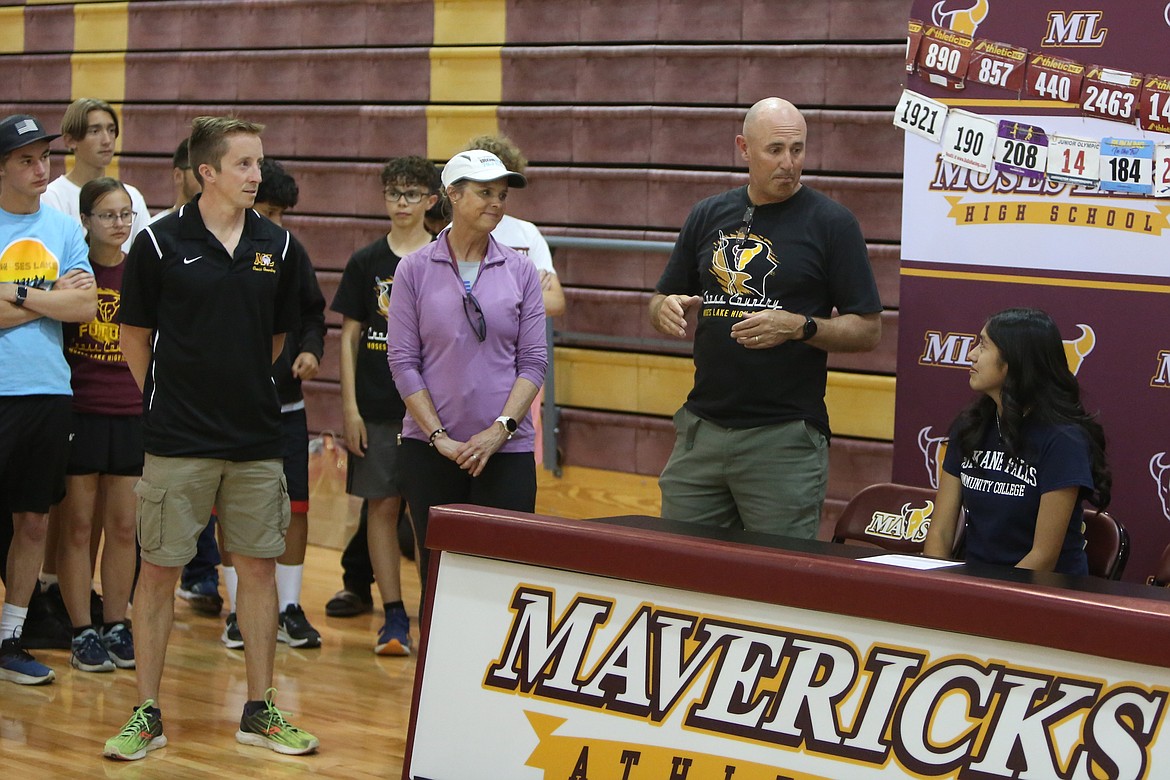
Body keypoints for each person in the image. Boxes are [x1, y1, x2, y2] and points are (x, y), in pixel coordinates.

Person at [105, 116, 317, 760]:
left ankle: (260, 709)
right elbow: (132, 334)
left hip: (257, 437)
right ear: (208, 173)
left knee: (255, 569)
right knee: (159, 572)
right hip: (177, 438)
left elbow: (285, 334)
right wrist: (165, 397)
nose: (257, 174)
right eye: (245, 164)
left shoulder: (278, 246)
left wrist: (249, 382)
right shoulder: (159, 242)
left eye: (259, 162)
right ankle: (147, 711)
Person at [649, 96, 882, 539]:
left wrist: (801, 326)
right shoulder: (707, 215)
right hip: (702, 430)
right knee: (679, 572)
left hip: (783, 439)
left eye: (797, 150)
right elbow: (661, 295)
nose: (788, 163)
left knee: (778, 582)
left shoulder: (833, 224)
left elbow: (869, 329)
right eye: (775, 150)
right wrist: (663, 308)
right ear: (743, 148)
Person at [387, 149, 547, 603]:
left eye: (501, 194)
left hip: (506, 448)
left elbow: (533, 362)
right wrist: (438, 436)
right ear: (451, 195)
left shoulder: (521, 270)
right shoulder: (413, 270)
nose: (496, 202)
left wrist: (499, 431)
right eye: (484, 193)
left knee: (507, 579)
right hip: (431, 449)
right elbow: (402, 361)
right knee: (439, 576)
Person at [0, 113, 98, 685]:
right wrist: (46, 295)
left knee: (34, 520)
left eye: (45, 159)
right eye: (26, 161)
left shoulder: (63, 230)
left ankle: (11, 638)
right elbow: (62, 301)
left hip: (46, 391)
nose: (42, 170)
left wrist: (12, 291)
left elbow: (84, 308)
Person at [330, 156, 439, 654]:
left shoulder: (444, 258)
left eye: (412, 194)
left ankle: (432, 614)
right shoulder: (366, 261)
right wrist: (349, 408)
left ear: (431, 201)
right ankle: (393, 618)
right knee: (381, 507)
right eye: (394, 193)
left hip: (432, 413)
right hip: (375, 407)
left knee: (425, 514)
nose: (401, 202)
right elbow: (349, 339)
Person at [216, 158, 326, 650]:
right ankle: (239, 611)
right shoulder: (217, 251)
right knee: (231, 512)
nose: (276, 221)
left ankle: (289, 607)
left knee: (295, 506)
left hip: (285, 408)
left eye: (282, 212)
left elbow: (312, 314)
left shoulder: (290, 250)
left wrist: (309, 350)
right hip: (230, 408)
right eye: (268, 210)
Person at [923, 308, 1111, 575]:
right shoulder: (969, 427)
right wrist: (935, 588)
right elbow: (941, 532)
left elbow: (1043, 556)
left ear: (1014, 360)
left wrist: (991, 603)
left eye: (983, 346)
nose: (971, 354)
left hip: (1043, 594)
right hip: (975, 588)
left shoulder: (1063, 440)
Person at [56, 178, 142, 673]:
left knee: (124, 525)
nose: (119, 223)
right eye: (108, 214)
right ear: (85, 220)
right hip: (80, 411)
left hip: (130, 413)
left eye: (126, 214)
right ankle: (80, 629)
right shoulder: (73, 274)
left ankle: (116, 623)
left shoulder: (140, 274)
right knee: (79, 525)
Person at [41, 98, 150, 251]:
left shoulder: (132, 196)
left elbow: (145, 256)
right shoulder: (51, 198)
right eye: (95, 131)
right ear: (70, 140)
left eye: (111, 130)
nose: (107, 140)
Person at [147, 138, 200, 223]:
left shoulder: (225, 229)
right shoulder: (155, 230)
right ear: (178, 176)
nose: (208, 178)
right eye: (199, 170)